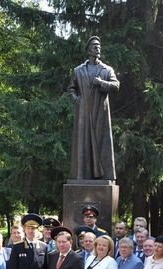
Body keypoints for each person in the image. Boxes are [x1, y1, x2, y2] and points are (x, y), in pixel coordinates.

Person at [68, 36, 120, 181]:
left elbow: (116, 85)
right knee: (83, 144)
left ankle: (103, 176)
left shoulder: (106, 70)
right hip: (83, 112)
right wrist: (77, 100)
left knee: (100, 142)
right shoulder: (78, 70)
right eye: (95, 46)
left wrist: (101, 83)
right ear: (88, 50)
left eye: (99, 46)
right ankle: (82, 176)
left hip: (100, 111)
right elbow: (71, 89)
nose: (98, 49)